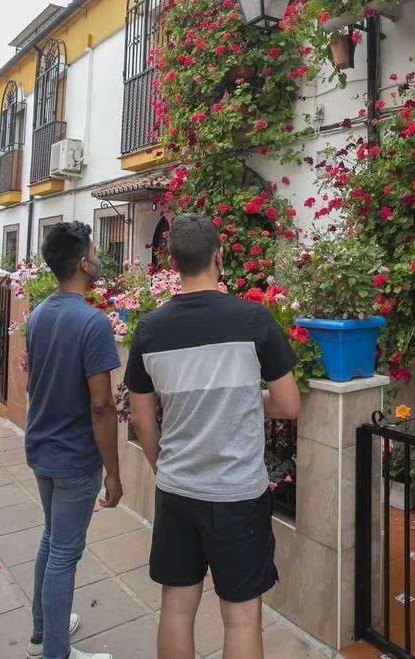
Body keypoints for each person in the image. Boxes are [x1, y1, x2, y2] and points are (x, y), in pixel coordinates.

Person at [125, 214, 300, 659]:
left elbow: (142, 418)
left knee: (177, 608)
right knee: (241, 616)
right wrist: (246, 398)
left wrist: (160, 466)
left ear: (171, 261)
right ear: (219, 256)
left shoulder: (149, 330)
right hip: (238, 493)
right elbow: (288, 405)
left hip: (177, 488)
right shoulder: (254, 320)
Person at [24, 222, 123, 659]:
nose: (98, 258)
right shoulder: (93, 322)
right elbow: (101, 406)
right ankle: (55, 653)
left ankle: (43, 634)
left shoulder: (40, 313)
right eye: (94, 252)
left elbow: (40, 378)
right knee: (65, 551)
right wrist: (114, 473)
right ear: (83, 263)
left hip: (42, 448)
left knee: (51, 540)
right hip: (74, 457)